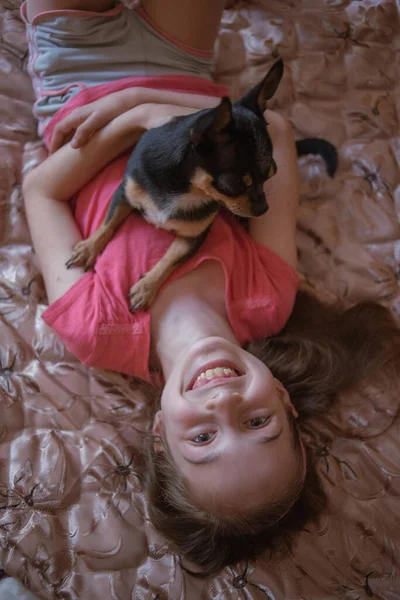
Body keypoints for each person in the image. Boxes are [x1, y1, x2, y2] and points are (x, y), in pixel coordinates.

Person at [21, 0, 400, 576]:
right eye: (258, 424)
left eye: (201, 438)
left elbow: (42, 193)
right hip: (182, 75)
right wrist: (155, 103)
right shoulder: (270, 298)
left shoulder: (98, 331)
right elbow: (271, 128)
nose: (224, 404)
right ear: (286, 402)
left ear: (158, 434)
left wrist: (127, 112)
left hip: (81, 84)